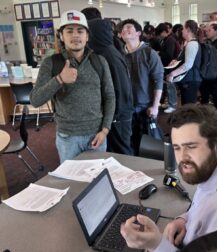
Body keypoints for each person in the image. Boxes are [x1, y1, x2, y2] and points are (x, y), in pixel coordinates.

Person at [120, 104, 217, 251]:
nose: (182, 158)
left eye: (191, 147)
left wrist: (155, 245)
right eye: (177, 148)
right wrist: (185, 220)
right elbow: (203, 203)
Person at [30, 10, 115, 163]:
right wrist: (60, 79)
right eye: (69, 31)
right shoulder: (51, 63)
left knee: (98, 179)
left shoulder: (100, 61)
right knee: (72, 182)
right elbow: (35, 100)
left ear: (87, 36)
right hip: (67, 138)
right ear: (61, 36)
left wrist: (105, 130)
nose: (75, 35)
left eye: (80, 31)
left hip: (96, 135)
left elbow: (110, 96)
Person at [85, 16, 134, 155]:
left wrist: (112, 117)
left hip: (119, 115)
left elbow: (120, 89)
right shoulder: (106, 51)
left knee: (121, 152)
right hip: (117, 114)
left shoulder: (108, 56)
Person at [121, 19, 164, 155]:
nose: (124, 30)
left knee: (148, 143)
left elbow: (158, 79)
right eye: (122, 29)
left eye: (129, 27)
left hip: (145, 107)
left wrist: (156, 105)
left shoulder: (149, 53)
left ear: (139, 33)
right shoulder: (119, 55)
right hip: (126, 107)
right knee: (129, 143)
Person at [166, 20, 202, 106]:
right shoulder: (189, 43)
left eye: (183, 28)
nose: (181, 30)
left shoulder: (192, 44)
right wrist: (176, 60)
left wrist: (172, 74)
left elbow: (188, 65)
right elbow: (185, 60)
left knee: (188, 106)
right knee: (186, 105)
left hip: (191, 80)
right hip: (189, 79)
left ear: (188, 30)